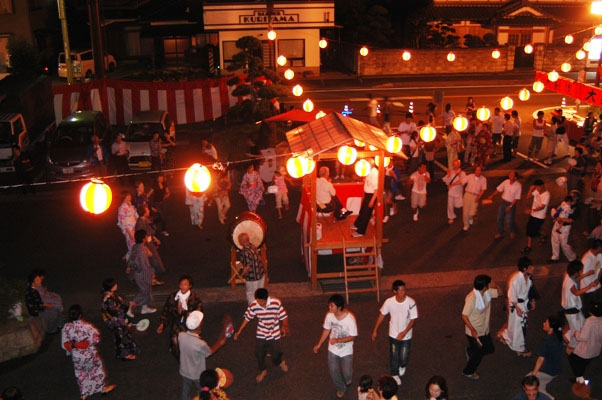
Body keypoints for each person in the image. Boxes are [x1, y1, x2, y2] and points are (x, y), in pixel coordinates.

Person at [234, 288, 289, 384]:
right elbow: (247, 318)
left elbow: (284, 316)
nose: (258, 303)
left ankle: (279, 362)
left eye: (261, 301)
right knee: (259, 353)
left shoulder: (275, 303)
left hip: (275, 333)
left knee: (276, 353)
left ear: (266, 299)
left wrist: (284, 327)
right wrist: (239, 331)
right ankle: (263, 370)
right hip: (262, 332)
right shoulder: (254, 305)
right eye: (257, 300)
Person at [61, 304, 116, 400]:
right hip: (89, 354)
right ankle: (103, 388)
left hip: (76, 356)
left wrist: (73, 347)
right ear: (80, 315)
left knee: (80, 374)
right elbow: (96, 339)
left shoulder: (66, 327)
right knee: (97, 370)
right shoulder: (87, 326)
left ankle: (83, 394)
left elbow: (64, 344)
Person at [371, 280, 418, 386]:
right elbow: (382, 315)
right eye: (400, 290)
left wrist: (404, 332)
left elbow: (413, 320)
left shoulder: (411, 302)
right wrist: (375, 330)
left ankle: (402, 365)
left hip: (406, 335)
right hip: (393, 334)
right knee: (394, 354)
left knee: (404, 357)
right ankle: (394, 374)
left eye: (404, 289)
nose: (403, 292)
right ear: (394, 291)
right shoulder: (389, 302)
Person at [313, 294, 358, 399]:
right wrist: (319, 344)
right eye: (329, 306)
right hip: (333, 349)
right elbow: (326, 330)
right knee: (333, 370)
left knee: (347, 374)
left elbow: (352, 337)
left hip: (346, 349)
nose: (330, 308)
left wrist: (337, 340)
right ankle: (341, 388)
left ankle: (349, 373)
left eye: (332, 306)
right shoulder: (329, 316)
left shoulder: (350, 319)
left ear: (339, 307)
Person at [179, 311, 226, 400]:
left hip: (184, 371)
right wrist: (220, 344)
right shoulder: (200, 343)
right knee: (201, 390)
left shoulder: (181, 336)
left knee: (186, 389)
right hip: (197, 374)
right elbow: (210, 352)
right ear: (199, 327)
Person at [461, 274, 499, 380]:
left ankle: (470, 350)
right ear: (485, 286)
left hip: (484, 329)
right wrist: (472, 330)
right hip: (474, 331)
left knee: (490, 349)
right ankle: (468, 371)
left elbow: (500, 293)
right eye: (490, 283)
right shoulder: (471, 298)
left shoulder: (487, 292)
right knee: (478, 354)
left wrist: (496, 286)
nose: (491, 284)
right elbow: (464, 315)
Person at [157, 275, 203, 359]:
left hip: (189, 321)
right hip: (177, 320)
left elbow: (199, 311)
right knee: (175, 339)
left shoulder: (195, 298)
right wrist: (162, 323)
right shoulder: (173, 297)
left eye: (185, 284)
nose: (183, 286)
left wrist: (188, 313)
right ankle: (180, 357)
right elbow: (166, 310)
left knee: (188, 340)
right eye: (181, 284)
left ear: (190, 286)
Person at [499, 257, 536, 357]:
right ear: (524, 268)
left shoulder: (528, 277)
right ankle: (519, 348)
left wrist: (532, 301)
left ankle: (508, 337)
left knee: (518, 326)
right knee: (519, 327)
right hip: (517, 306)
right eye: (530, 267)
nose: (533, 268)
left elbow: (531, 291)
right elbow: (512, 295)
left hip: (523, 304)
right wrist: (517, 308)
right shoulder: (515, 279)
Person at [528, 312, 566, 400]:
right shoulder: (559, 336)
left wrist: (533, 375)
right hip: (557, 368)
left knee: (530, 381)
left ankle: (549, 398)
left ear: (551, 328)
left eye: (546, 322)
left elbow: (540, 359)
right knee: (540, 382)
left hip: (549, 371)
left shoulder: (547, 342)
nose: (543, 323)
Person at [562, 260, 599, 349]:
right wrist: (590, 286)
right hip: (572, 312)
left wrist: (587, 274)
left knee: (581, 326)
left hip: (573, 310)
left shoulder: (568, 276)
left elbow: (577, 278)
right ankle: (572, 347)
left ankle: (566, 338)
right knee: (577, 330)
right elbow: (576, 292)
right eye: (581, 270)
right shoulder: (570, 283)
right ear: (576, 272)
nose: (582, 271)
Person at [100, 278, 138, 360]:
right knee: (121, 337)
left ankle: (129, 350)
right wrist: (126, 322)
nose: (116, 285)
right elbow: (116, 313)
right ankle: (123, 354)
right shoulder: (109, 299)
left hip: (117, 318)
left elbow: (119, 303)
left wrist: (128, 303)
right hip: (115, 320)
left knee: (125, 334)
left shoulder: (110, 295)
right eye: (114, 284)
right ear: (111, 287)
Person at [568, 301, 602, 384]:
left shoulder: (589, 321)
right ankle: (581, 378)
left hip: (586, 350)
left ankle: (582, 381)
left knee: (573, 359)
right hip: (596, 348)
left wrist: (576, 333)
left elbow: (582, 337)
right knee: (584, 363)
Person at [126, 229, 156, 316]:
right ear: (143, 239)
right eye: (146, 236)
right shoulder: (142, 251)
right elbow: (145, 266)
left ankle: (145, 308)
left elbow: (131, 258)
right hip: (142, 274)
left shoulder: (136, 246)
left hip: (137, 273)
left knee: (146, 290)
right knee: (144, 291)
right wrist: (152, 274)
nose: (147, 237)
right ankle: (129, 306)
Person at [25, 269, 64, 334]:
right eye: (37, 280)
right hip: (36, 311)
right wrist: (48, 305)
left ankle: (60, 325)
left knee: (56, 310)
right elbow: (38, 305)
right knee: (53, 313)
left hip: (39, 307)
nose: (40, 281)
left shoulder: (35, 288)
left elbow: (39, 302)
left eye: (39, 279)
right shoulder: (32, 291)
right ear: (33, 282)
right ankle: (50, 330)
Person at [485, 170, 522, 239]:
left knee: (509, 220)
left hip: (511, 204)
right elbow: (499, 189)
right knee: (499, 218)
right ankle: (501, 233)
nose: (510, 176)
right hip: (503, 202)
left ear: (515, 178)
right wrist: (492, 195)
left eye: (512, 175)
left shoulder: (518, 186)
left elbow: (516, 198)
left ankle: (512, 231)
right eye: (509, 175)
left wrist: (510, 206)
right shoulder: (506, 182)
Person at [135, 203, 166, 282]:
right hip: (146, 245)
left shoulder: (145, 220)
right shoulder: (140, 223)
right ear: (144, 212)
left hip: (150, 243)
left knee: (154, 260)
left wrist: (155, 239)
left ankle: (153, 277)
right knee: (150, 261)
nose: (148, 211)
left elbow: (149, 232)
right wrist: (146, 248)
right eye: (147, 210)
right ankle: (152, 279)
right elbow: (141, 238)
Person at [237, 232, 266, 305]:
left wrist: (241, 275)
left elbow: (247, 267)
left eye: (239, 240)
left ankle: (253, 308)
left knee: (251, 293)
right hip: (261, 273)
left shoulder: (244, 252)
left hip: (253, 277)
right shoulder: (253, 246)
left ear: (241, 241)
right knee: (259, 291)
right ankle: (261, 305)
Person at [351, 161, 378, 237]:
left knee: (366, 213)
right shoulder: (368, 171)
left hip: (371, 195)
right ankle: (357, 224)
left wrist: (372, 200)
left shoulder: (375, 173)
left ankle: (361, 231)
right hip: (367, 194)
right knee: (362, 211)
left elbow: (377, 189)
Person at [523, 180, 550, 254]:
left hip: (540, 216)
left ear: (542, 186)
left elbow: (542, 207)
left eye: (538, 187)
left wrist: (531, 210)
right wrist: (530, 190)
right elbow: (528, 197)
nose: (537, 189)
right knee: (530, 230)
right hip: (533, 215)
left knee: (534, 231)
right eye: (536, 187)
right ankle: (529, 246)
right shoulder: (536, 191)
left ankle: (543, 236)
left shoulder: (547, 195)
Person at [550, 194, 578, 263]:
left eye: (574, 196)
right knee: (554, 240)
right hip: (557, 223)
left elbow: (571, 220)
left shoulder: (576, 208)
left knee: (564, 244)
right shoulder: (565, 204)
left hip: (565, 227)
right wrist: (557, 217)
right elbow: (558, 208)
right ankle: (555, 257)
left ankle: (572, 258)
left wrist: (560, 219)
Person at [580, 240, 602, 317]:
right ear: (599, 248)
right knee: (588, 308)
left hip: (597, 285)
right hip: (588, 289)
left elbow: (601, 267)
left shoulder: (599, 255)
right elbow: (580, 276)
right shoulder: (586, 260)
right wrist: (588, 273)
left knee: (598, 306)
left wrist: (598, 279)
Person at [462, 166, 487, 231]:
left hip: (475, 196)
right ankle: (466, 225)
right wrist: (452, 185)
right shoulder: (470, 176)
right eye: (477, 170)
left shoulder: (483, 179)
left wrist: (478, 197)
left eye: (479, 170)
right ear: (475, 171)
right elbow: (461, 181)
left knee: (472, 212)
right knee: (465, 212)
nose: (478, 172)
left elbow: (483, 190)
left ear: (481, 171)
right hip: (467, 194)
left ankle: (470, 218)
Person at [442, 159, 466, 225]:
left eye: (456, 164)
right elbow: (446, 182)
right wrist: (449, 175)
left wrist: (459, 175)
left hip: (458, 192)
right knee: (450, 205)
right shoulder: (451, 172)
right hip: (451, 192)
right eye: (454, 165)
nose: (455, 166)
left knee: (458, 205)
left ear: (459, 165)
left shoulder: (462, 173)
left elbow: (463, 182)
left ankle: (466, 208)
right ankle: (451, 217)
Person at [117, 191, 139, 259]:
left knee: (136, 242)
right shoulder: (122, 208)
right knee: (131, 243)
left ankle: (129, 256)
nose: (130, 197)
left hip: (134, 226)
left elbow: (135, 214)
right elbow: (123, 222)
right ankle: (130, 258)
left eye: (130, 196)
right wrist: (129, 233)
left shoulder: (130, 205)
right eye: (128, 196)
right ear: (124, 197)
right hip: (128, 228)